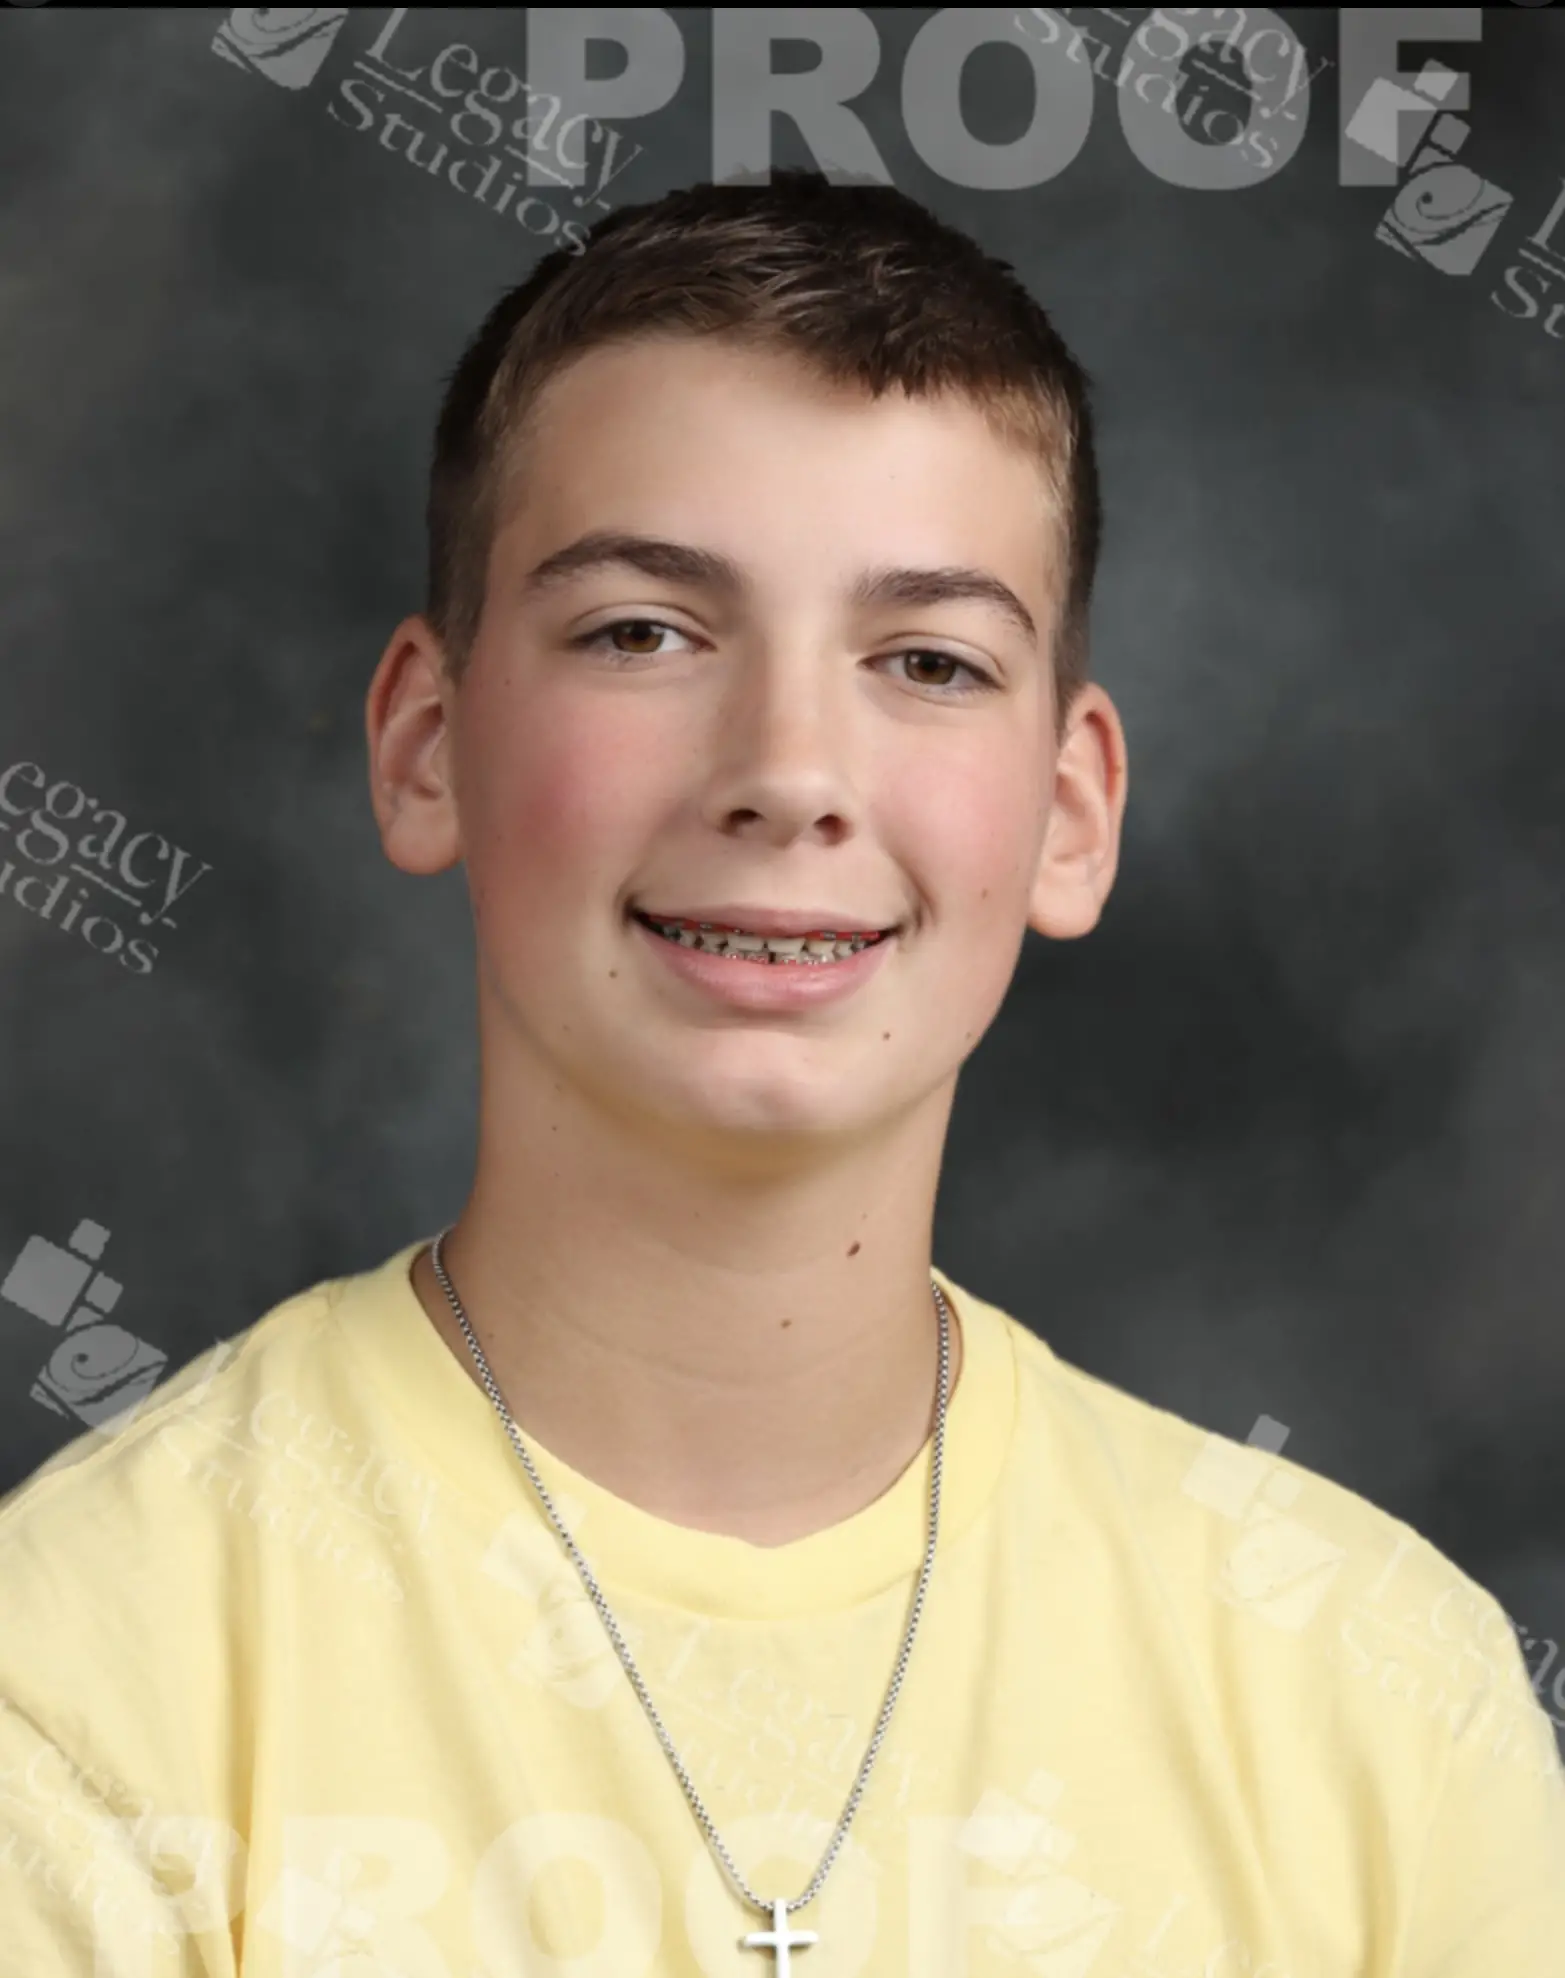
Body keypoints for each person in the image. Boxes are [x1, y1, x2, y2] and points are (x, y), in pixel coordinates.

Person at [1, 170, 1561, 1978]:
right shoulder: (84, 1680)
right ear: (428, 746)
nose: (790, 771)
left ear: (1070, 812)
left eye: (929, 660)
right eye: (643, 632)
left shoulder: (1381, 1699)